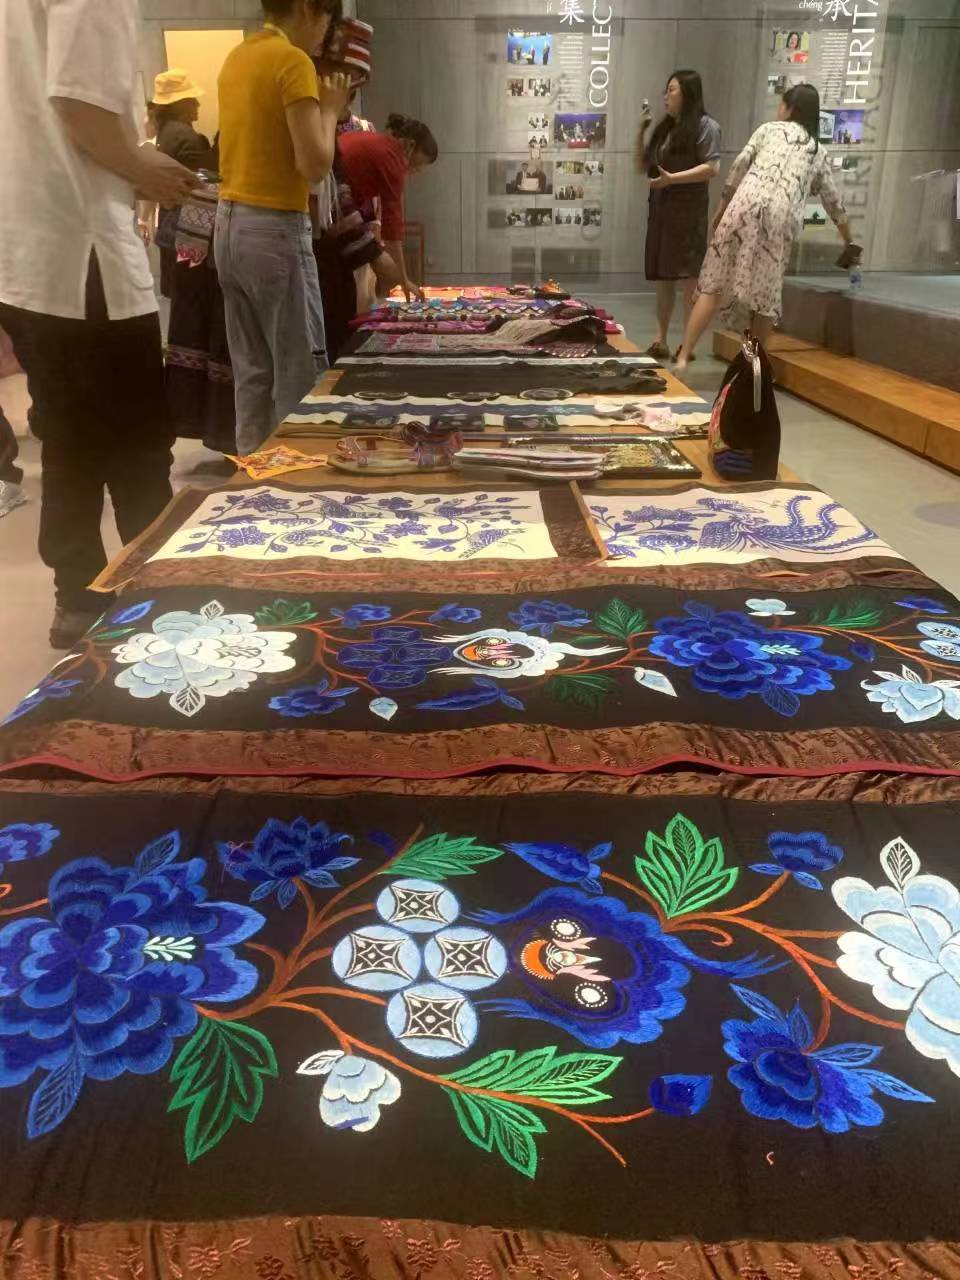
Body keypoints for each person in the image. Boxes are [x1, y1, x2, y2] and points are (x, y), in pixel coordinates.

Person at [0, 0, 197, 648]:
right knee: (136, 444)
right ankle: (155, 599)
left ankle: (79, 599)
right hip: (83, 252)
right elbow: (80, 104)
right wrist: (143, 168)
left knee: (69, 439)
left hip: (30, 248)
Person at [216, 0, 351, 455]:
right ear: (309, 8)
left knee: (252, 372)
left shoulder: (238, 57)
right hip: (273, 228)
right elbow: (313, 164)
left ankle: (253, 477)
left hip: (230, 224)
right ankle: (300, 481)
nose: (325, 34)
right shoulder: (292, 60)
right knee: (299, 370)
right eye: (328, 20)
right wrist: (330, 110)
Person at [675, 84, 856, 373]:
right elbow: (834, 202)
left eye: (781, 104)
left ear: (790, 108)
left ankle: (683, 357)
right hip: (779, 218)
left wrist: (721, 208)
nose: (778, 108)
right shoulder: (816, 151)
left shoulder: (768, 130)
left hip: (742, 206)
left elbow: (739, 167)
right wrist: (849, 241)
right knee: (765, 299)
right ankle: (753, 369)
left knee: (712, 287)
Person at [310, 16, 401, 361]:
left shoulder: (327, 119)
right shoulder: (309, 114)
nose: (347, 101)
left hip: (319, 247)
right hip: (298, 246)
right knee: (319, 348)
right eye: (348, 86)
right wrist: (375, 255)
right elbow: (327, 190)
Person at [637, 70, 721, 362]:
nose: (665, 96)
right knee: (663, 277)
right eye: (666, 90)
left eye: (671, 90)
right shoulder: (666, 128)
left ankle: (688, 344)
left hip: (688, 211)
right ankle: (660, 339)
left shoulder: (706, 126)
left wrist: (673, 179)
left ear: (688, 93)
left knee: (689, 280)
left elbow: (712, 168)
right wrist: (642, 130)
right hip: (662, 210)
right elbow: (642, 165)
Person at [338, 113, 438, 302]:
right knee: (373, 256)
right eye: (418, 165)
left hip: (332, 195)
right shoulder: (393, 159)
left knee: (370, 255)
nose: (416, 171)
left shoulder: (382, 144)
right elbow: (393, 229)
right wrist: (403, 280)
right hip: (334, 196)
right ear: (410, 146)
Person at [153, 69, 212, 299]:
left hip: (171, 226)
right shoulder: (184, 136)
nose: (197, 104)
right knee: (191, 296)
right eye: (192, 99)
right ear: (180, 104)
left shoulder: (167, 132)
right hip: (187, 230)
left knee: (181, 299)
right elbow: (203, 180)